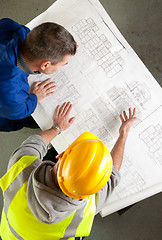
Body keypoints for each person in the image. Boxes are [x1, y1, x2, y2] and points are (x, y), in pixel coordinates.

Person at [0, 103, 136, 240]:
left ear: (60, 155)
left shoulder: (21, 167)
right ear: (95, 188)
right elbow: (113, 174)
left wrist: (57, 128)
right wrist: (123, 134)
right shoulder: (88, 208)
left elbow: (35, 143)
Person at [0, 18, 77, 132]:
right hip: (6, 113)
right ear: (45, 65)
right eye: (64, 63)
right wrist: (35, 97)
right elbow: (20, 111)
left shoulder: (8, 25)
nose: (65, 64)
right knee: (22, 119)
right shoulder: (13, 95)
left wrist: (66, 47)